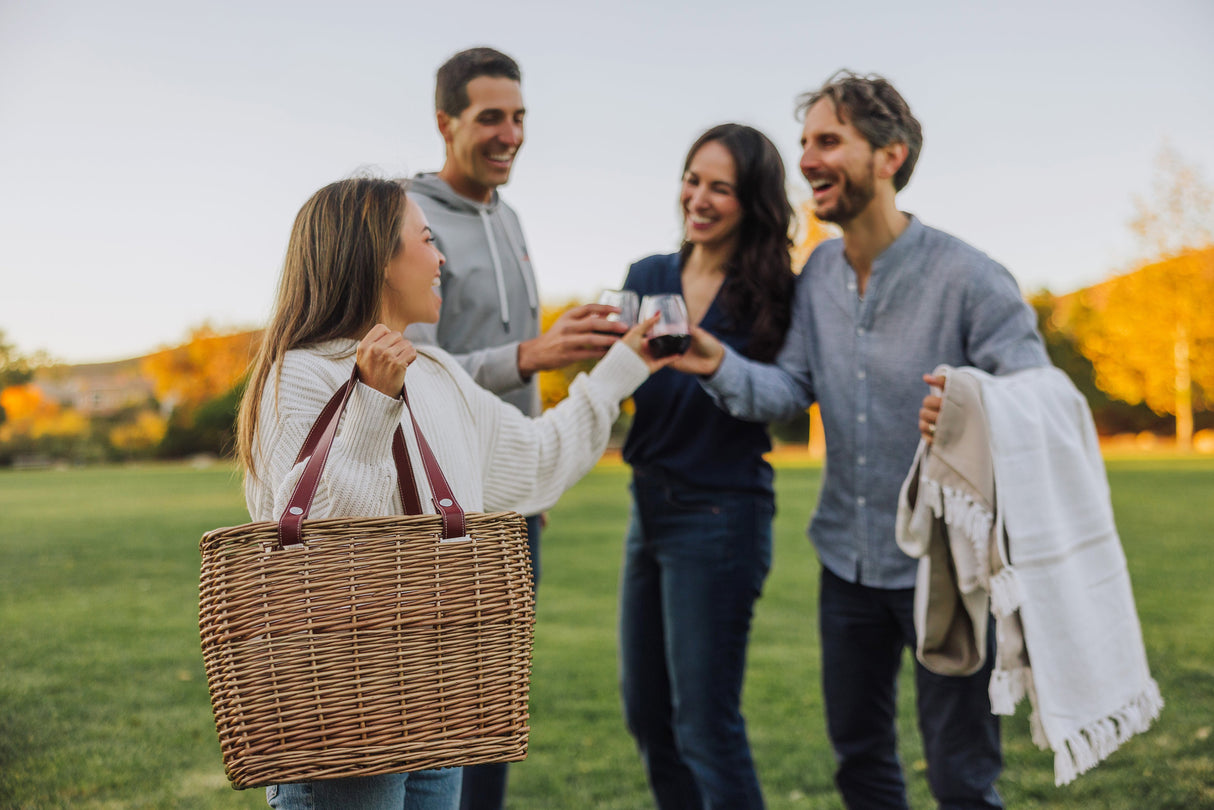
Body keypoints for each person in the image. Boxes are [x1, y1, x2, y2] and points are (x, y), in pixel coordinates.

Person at [671, 71, 1051, 809]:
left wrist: (973, 409)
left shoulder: (970, 278)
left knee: (960, 775)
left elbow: (1039, 398)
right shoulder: (814, 275)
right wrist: (715, 361)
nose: (807, 159)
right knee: (860, 761)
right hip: (846, 562)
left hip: (948, 571)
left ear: (889, 155)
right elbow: (788, 391)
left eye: (829, 141)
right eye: (805, 141)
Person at [235, 177, 668, 810]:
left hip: (437, 702)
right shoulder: (297, 376)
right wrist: (372, 402)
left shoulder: (438, 376)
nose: (443, 260)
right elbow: (316, 541)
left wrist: (621, 369)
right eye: (427, 240)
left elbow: (537, 457)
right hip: (347, 705)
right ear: (378, 257)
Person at [402, 50, 622, 806]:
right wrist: (532, 354)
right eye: (491, 117)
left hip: (510, 502)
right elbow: (412, 365)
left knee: (494, 708)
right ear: (446, 122)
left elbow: (505, 371)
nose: (511, 134)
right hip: (434, 505)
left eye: (519, 117)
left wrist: (534, 479)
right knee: (432, 707)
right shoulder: (404, 214)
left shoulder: (513, 217)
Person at [617, 123, 795, 810]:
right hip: (648, 509)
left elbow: (783, 398)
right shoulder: (648, 277)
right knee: (649, 718)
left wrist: (718, 360)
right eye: (694, 179)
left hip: (721, 516)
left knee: (704, 725)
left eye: (721, 187)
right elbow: (625, 382)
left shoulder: (774, 291)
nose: (700, 197)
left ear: (751, 201)